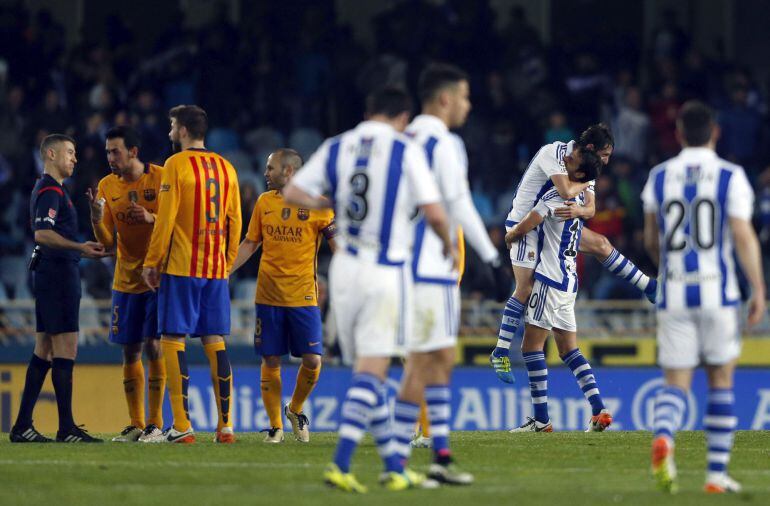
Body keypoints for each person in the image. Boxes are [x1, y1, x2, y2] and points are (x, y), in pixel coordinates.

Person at [284, 87, 455, 492]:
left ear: (368, 110)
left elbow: (291, 193)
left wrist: (333, 202)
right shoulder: (403, 148)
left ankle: (394, 466)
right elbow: (433, 210)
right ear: (402, 117)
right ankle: (340, 463)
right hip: (383, 270)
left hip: (342, 269)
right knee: (373, 371)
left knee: (367, 371)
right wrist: (448, 242)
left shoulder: (337, 145)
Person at [642, 101, 766, 494]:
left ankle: (664, 436)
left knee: (675, 382)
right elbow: (743, 235)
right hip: (719, 293)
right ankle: (715, 475)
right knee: (721, 379)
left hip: (674, 292)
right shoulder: (731, 176)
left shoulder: (659, 176)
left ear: (678, 134)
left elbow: (650, 238)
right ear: (714, 132)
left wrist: (668, 269)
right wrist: (758, 288)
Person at [399, 63, 509, 485]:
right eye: (463, 96)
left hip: (401, 265)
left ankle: (435, 455)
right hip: (429, 266)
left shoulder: (402, 138)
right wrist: (493, 260)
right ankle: (410, 456)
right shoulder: (444, 143)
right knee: (435, 358)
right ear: (444, 99)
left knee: (428, 359)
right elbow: (459, 205)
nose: (468, 104)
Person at [490, 124, 658, 383]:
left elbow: (590, 209)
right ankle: (500, 351)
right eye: (605, 154)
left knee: (602, 244)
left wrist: (580, 209)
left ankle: (648, 285)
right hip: (527, 225)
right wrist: (584, 187)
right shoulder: (555, 154)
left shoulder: (585, 167)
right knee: (525, 288)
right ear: (590, 149)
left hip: (552, 223)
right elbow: (567, 191)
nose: (606, 161)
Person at [141, 105, 242, 444]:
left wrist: (152, 262)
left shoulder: (175, 164)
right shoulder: (226, 167)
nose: (170, 132)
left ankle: (182, 424)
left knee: (173, 338)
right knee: (215, 340)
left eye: (172, 126)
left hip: (182, 266)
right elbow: (235, 220)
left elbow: (166, 217)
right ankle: (226, 426)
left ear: (183, 130)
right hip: (215, 269)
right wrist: (226, 261)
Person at [230, 148, 337, 444]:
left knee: (314, 360)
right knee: (271, 359)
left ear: (288, 172)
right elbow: (250, 243)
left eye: (271, 168)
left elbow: (338, 244)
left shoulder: (318, 205)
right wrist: (224, 271)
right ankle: (275, 425)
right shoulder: (264, 202)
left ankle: (295, 409)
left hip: (304, 296)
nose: (265, 173)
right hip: (268, 294)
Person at [9, 134, 111, 443]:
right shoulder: (51, 190)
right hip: (57, 276)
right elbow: (43, 234)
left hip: (53, 274)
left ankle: (22, 425)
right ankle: (65, 427)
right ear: (50, 154)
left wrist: (92, 223)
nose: (75, 158)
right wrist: (79, 247)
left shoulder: (55, 190)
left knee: (45, 349)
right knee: (65, 348)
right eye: (69, 152)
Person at [503, 149, 612, 433]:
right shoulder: (580, 200)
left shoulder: (558, 196)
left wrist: (513, 234)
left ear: (578, 173)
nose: (567, 161)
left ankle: (541, 419)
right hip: (569, 282)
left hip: (550, 280)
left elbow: (534, 217)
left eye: (573, 162)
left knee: (531, 347)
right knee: (568, 349)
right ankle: (599, 409)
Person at [88, 126, 166, 442]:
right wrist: (96, 218)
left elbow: (177, 226)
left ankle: (156, 424)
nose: (110, 157)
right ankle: (136, 424)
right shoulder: (107, 186)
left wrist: (151, 219)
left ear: (133, 151)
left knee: (154, 344)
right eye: (107, 151)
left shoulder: (160, 179)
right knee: (130, 351)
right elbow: (107, 243)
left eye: (115, 151)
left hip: (157, 278)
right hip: (125, 279)